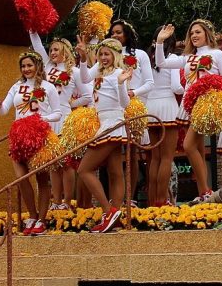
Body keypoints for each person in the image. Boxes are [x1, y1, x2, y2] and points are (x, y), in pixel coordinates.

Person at [154, 20, 222, 204]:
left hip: (207, 104)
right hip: (190, 105)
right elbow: (162, 62)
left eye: (198, 32)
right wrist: (159, 42)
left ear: (207, 33)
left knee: (188, 146)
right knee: (195, 148)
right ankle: (204, 191)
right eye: (191, 33)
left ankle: (206, 189)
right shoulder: (187, 57)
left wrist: (217, 98)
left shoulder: (217, 54)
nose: (194, 36)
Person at [0, 51, 61, 235]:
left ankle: (42, 220)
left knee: (42, 179)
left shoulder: (48, 87)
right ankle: (32, 214)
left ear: (37, 66)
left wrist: (40, 120)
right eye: (23, 66)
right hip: (19, 137)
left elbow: (58, 113)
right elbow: (5, 110)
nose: (26, 69)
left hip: (40, 136)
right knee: (21, 178)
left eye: (29, 65)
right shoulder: (16, 86)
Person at [75, 37, 133, 233]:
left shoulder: (119, 73)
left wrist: (120, 84)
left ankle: (108, 211)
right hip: (103, 123)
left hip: (112, 123)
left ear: (115, 55)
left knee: (84, 170)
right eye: (100, 54)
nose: (103, 57)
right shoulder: (98, 70)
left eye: (107, 54)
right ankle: (115, 214)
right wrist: (83, 58)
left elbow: (125, 104)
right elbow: (84, 78)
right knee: (115, 171)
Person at [28, 32, 91, 211]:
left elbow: (87, 96)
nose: (52, 52)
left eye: (56, 49)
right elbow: (38, 46)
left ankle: (67, 201)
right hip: (48, 119)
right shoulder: (47, 66)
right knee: (52, 164)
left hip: (64, 119)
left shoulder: (75, 71)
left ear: (65, 51)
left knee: (66, 163)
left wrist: (71, 104)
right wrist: (32, 28)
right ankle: (56, 202)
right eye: (51, 50)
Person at [106, 20, 154, 205]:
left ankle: (130, 197)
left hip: (134, 105)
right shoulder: (107, 56)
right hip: (113, 108)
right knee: (114, 153)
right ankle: (116, 199)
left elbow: (150, 83)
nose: (115, 35)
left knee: (132, 152)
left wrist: (133, 93)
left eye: (119, 32)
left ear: (127, 34)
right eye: (112, 33)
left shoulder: (140, 55)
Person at [144, 26, 184, 206]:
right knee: (167, 157)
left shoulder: (148, 58)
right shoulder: (173, 58)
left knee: (155, 158)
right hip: (168, 107)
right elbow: (176, 86)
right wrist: (190, 90)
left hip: (150, 108)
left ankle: (152, 200)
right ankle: (162, 200)